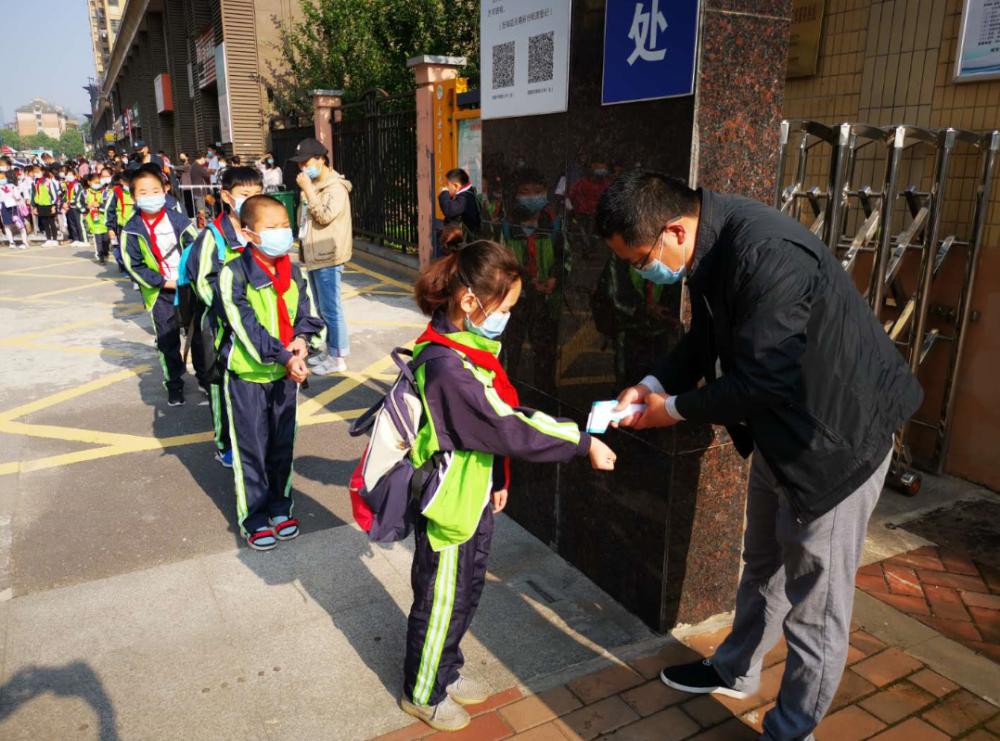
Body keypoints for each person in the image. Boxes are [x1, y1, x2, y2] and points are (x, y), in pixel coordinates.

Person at [596, 172, 923, 741]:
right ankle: (735, 668)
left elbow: (765, 378)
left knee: (815, 605)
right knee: (763, 563)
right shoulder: (709, 245)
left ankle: (792, 729)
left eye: (639, 258)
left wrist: (670, 409)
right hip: (780, 431)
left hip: (833, 443)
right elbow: (706, 340)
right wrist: (651, 381)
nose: (639, 272)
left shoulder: (766, 253)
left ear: (674, 229)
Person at [400, 240, 617, 732]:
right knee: (441, 602)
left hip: (471, 491)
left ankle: (445, 671)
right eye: (507, 307)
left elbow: (485, 428)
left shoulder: (467, 347)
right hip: (449, 502)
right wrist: (582, 443)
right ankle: (423, 693)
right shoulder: (447, 366)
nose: (509, 318)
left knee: (465, 593)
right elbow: (507, 425)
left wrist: (497, 477)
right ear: (470, 301)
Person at [218, 194, 325, 550]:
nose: (282, 233)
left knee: (281, 446)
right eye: (272, 227)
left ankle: (280, 507)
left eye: (285, 226)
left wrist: (302, 341)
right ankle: (255, 517)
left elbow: (307, 315)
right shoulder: (234, 273)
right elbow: (245, 327)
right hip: (249, 376)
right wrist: (283, 355)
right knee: (252, 450)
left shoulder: (292, 271)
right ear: (249, 234)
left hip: (284, 376)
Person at [185, 166, 264, 468]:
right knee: (220, 386)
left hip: (256, 325)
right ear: (227, 196)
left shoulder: (262, 232)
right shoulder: (213, 236)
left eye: (257, 193)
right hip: (220, 327)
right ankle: (224, 444)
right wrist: (229, 311)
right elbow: (203, 282)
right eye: (245, 194)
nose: (252, 199)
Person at [123, 163, 199, 406]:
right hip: (159, 294)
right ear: (133, 196)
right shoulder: (132, 230)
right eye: (143, 193)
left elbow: (197, 250)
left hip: (188, 289)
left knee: (198, 335)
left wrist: (190, 278)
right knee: (167, 341)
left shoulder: (179, 220)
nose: (151, 197)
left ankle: (206, 378)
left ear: (165, 190)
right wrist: (163, 282)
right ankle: (174, 383)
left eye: (155, 191)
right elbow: (134, 266)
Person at [291, 137, 353, 375]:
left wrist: (307, 190)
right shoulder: (315, 185)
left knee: (331, 309)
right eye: (299, 164)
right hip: (315, 254)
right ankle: (330, 351)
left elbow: (325, 216)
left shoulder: (335, 188)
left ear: (321, 159)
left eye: (305, 162)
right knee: (321, 307)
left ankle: (338, 357)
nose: (302, 168)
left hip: (329, 255)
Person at [437, 168, 481, 237]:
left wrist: (444, 193)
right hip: (466, 237)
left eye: (447, 185)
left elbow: (449, 210)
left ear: (456, 186)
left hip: (465, 241)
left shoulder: (464, 198)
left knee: (434, 227)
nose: (446, 187)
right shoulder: (469, 192)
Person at [106, 171, 135, 273]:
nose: (131, 184)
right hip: (123, 228)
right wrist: (110, 228)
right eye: (128, 182)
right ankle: (125, 268)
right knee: (120, 250)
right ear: (122, 181)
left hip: (137, 227)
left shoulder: (138, 191)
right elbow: (110, 211)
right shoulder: (116, 193)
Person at [81, 170, 112, 262]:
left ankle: (106, 251)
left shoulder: (105, 192)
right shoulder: (85, 193)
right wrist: (87, 207)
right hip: (93, 220)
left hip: (104, 219)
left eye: (99, 182)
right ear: (89, 182)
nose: (97, 184)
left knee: (106, 239)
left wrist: (99, 204)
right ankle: (100, 255)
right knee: (98, 239)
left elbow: (108, 204)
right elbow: (80, 204)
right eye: (95, 182)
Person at [31, 167, 61, 246]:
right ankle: (48, 239)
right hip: (40, 205)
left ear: (42, 172)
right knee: (45, 223)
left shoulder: (49, 182)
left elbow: (54, 194)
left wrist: (54, 205)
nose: (36, 174)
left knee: (51, 222)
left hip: (49, 205)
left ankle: (54, 239)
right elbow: (34, 195)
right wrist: (34, 206)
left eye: (38, 172)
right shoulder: (35, 182)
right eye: (34, 172)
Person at [0, 167, 29, 249]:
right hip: (4, 207)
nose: (1, 178)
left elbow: (18, 197)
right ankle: (12, 242)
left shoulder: (12, 186)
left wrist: (13, 194)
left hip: (14, 207)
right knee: (7, 225)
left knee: (19, 224)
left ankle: (24, 242)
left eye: (3, 176)